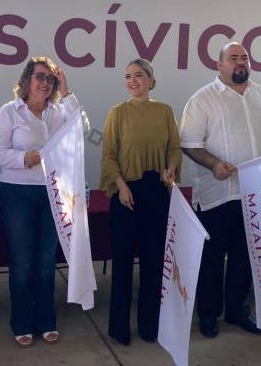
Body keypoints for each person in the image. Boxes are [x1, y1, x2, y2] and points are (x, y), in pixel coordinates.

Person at [179, 42, 261, 337]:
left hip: (254, 194)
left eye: (245, 58)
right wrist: (213, 163)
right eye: (233, 58)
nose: (240, 62)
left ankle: (238, 310)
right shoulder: (202, 99)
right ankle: (209, 315)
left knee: (245, 257)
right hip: (217, 194)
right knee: (211, 259)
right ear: (219, 65)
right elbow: (189, 144)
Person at [0, 56, 83, 348]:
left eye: (51, 79)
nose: (45, 83)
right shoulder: (9, 111)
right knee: (22, 261)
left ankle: (46, 321)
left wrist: (67, 91)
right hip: (17, 193)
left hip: (53, 193)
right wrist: (23, 158)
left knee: (45, 261)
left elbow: (83, 128)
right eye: (40, 76)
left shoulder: (60, 111)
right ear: (27, 79)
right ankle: (21, 323)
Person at [99, 59, 181, 346]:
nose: (133, 80)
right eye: (128, 76)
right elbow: (108, 155)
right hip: (126, 193)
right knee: (122, 264)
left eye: (139, 75)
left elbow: (174, 148)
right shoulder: (117, 113)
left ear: (151, 80)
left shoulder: (165, 111)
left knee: (153, 263)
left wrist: (171, 168)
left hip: (156, 192)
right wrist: (120, 185)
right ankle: (119, 328)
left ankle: (150, 326)